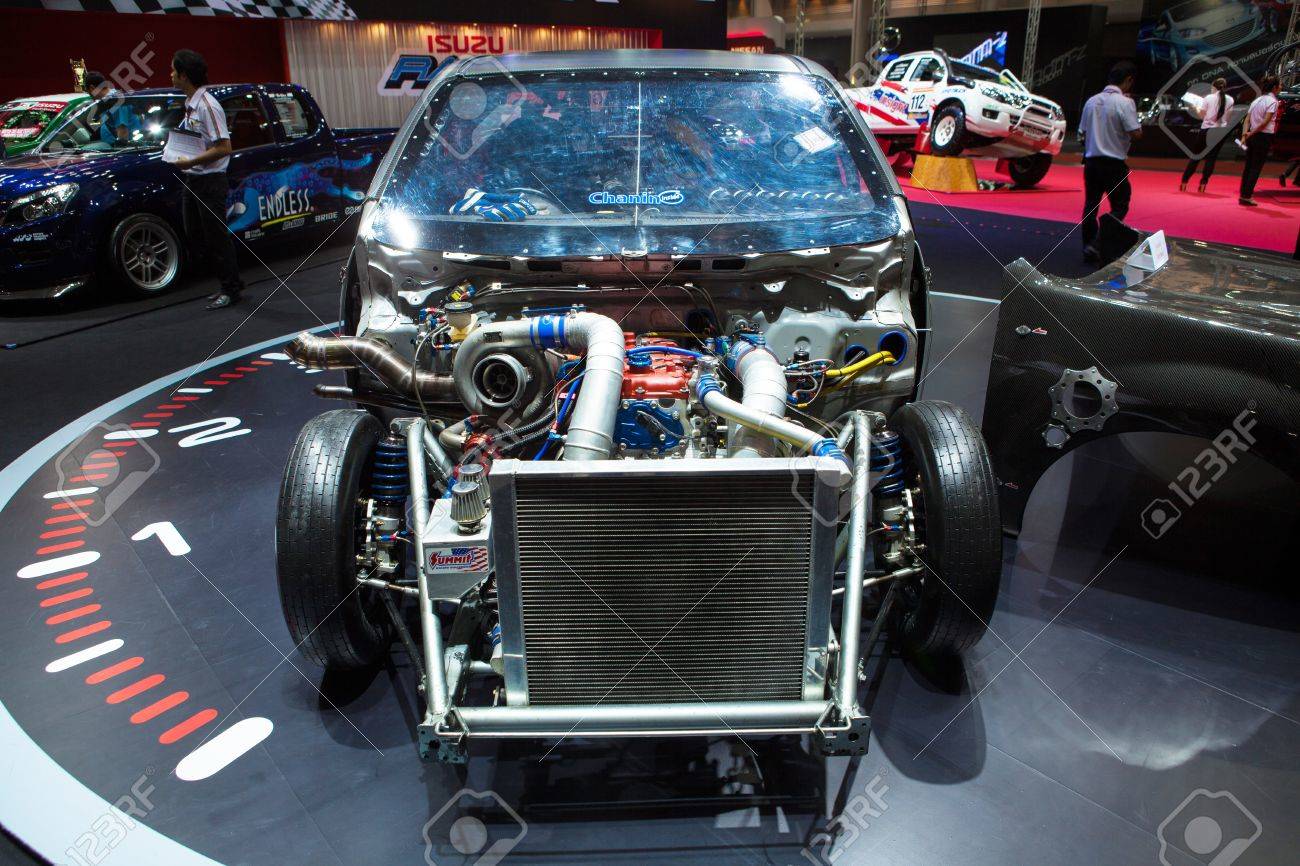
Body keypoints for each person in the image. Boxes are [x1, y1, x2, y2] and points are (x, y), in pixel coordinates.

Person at [167, 49, 246, 309]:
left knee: (216, 237)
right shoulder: (190, 104)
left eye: (173, 71)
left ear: (184, 75)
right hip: (194, 178)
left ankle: (231, 288)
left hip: (210, 180)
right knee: (195, 233)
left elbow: (224, 147)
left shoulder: (207, 105)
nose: (170, 75)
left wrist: (190, 161)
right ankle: (228, 282)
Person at [1077, 61, 1143, 263]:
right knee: (1121, 205)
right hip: (1113, 163)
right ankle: (1098, 243)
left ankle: (1088, 245)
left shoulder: (1091, 101)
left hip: (1091, 162)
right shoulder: (1125, 103)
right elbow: (1136, 133)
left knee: (1091, 204)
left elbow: (1082, 133)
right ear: (1129, 80)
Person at [1180, 78, 1233, 193]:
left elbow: (1201, 116)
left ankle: (1184, 182)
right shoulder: (1230, 99)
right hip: (1220, 131)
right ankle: (1203, 184)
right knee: (1211, 159)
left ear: (1214, 87)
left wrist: (1195, 108)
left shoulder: (1208, 98)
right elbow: (1228, 118)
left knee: (1196, 157)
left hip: (1206, 130)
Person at [1239, 76, 1282, 207]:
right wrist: (1251, 133)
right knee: (1255, 168)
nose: (1281, 87)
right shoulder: (1273, 102)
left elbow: (1246, 120)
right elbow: (1264, 123)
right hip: (1263, 137)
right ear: (1274, 87)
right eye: (1280, 85)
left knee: (1248, 166)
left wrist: (1245, 136)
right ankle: (1247, 196)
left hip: (1252, 136)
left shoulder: (1257, 100)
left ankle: (1243, 194)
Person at [82, 70, 138, 145]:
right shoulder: (107, 101)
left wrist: (120, 149)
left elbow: (123, 131)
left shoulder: (117, 101)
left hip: (126, 148)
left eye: (89, 93)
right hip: (110, 147)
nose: (92, 97)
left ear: (92, 88)